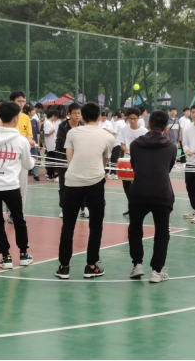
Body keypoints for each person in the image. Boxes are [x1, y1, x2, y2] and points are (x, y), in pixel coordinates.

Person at [56, 102, 115, 280]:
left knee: (68, 225)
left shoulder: (72, 133)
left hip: (72, 181)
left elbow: (69, 158)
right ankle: (91, 266)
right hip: (95, 182)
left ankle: (64, 267)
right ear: (99, 117)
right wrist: (95, 170)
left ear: (82, 116)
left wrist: (78, 170)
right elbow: (105, 161)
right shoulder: (108, 136)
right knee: (95, 225)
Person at [0, 102, 36, 270]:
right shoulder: (21, 140)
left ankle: (6, 257)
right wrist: (32, 160)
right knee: (19, 219)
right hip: (11, 185)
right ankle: (23, 254)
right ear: (16, 118)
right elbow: (27, 165)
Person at [128, 110, 178, 284]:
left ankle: (137, 264)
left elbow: (134, 165)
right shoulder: (171, 147)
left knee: (135, 228)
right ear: (166, 128)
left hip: (139, 191)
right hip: (162, 192)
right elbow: (168, 168)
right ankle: (156, 271)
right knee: (162, 232)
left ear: (148, 124)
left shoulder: (135, 144)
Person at [56, 104, 86, 218]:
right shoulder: (62, 126)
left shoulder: (83, 126)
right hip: (64, 159)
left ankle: (83, 207)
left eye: (79, 113)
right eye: (75, 113)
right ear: (69, 114)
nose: (77, 115)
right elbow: (60, 142)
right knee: (64, 185)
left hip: (80, 160)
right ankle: (64, 208)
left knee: (82, 184)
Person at [119, 108, 149, 217]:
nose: (132, 121)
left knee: (138, 186)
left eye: (134, 118)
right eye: (130, 118)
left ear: (138, 118)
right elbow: (122, 144)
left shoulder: (144, 131)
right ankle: (131, 206)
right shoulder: (124, 129)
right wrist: (126, 150)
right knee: (126, 186)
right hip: (127, 161)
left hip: (140, 162)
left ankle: (138, 207)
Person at [24, 104, 41, 182]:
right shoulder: (24, 121)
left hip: (33, 143)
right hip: (25, 143)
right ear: (29, 112)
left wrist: (38, 142)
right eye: (33, 110)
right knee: (24, 158)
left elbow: (37, 132)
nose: (34, 111)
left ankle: (35, 175)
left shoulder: (34, 121)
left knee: (35, 158)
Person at [108, 111, 127, 180]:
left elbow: (114, 134)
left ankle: (113, 173)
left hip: (116, 143)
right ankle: (117, 173)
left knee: (114, 158)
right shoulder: (123, 123)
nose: (113, 119)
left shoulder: (117, 123)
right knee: (119, 159)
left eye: (113, 117)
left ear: (116, 116)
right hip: (122, 143)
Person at [43, 110, 60, 181]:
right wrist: (51, 132)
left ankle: (52, 174)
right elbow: (46, 134)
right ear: (53, 116)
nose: (56, 119)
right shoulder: (47, 123)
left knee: (53, 159)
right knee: (50, 159)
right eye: (56, 117)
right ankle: (49, 175)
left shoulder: (52, 123)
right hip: (50, 144)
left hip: (54, 143)